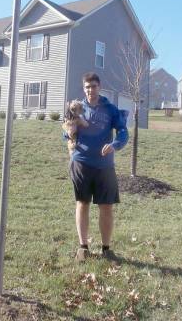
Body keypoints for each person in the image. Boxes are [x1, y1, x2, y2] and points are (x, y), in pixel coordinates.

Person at [65, 72, 129, 261]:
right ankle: (83, 247)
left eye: (93, 86)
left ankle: (106, 248)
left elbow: (123, 131)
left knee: (106, 207)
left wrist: (115, 145)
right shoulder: (76, 108)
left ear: (99, 87)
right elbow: (67, 132)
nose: (90, 90)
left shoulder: (110, 108)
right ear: (83, 89)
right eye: (87, 87)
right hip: (81, 162)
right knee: (82, 203)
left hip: (104, 166)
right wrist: (70, 134)